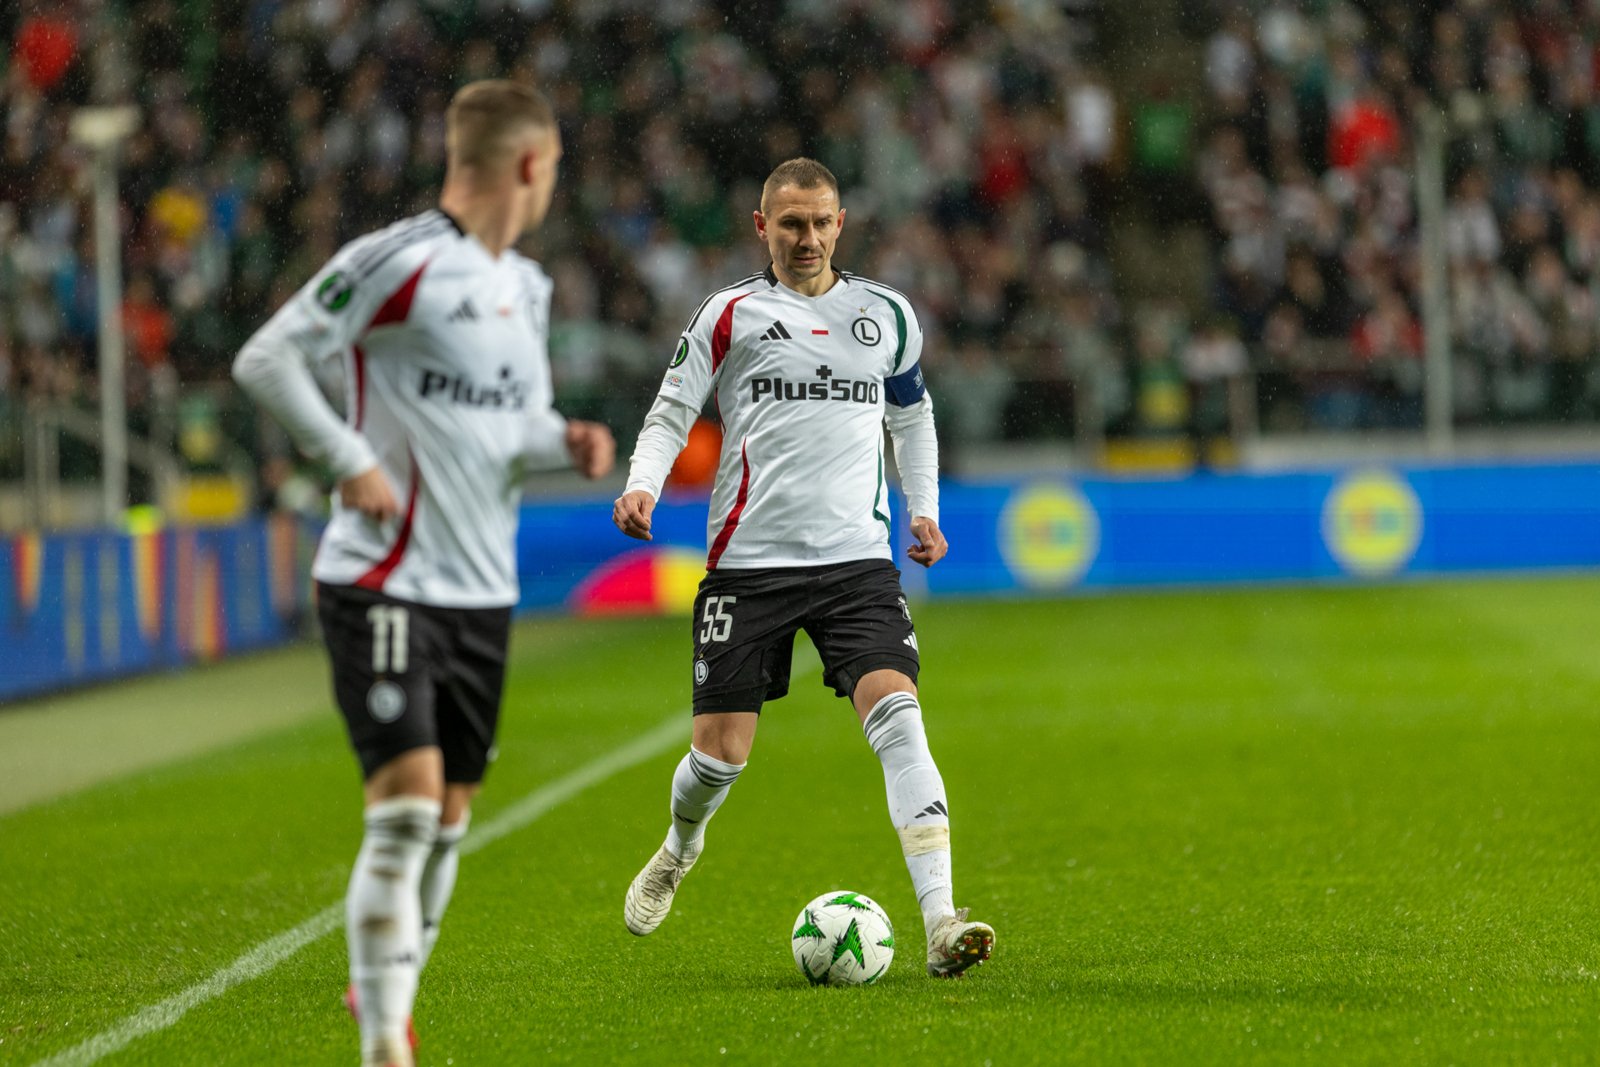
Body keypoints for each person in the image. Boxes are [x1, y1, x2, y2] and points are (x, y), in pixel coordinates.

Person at [233, 81, 614, 1067]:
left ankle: (392, 995)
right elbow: (267, 358)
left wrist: (563, 441)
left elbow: (512, 427)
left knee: (448, 823)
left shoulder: (524, 287)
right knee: (405, 808)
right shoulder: (395, 261)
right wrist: (346, 460)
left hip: (482, 594)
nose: (551, 186)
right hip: (383, 577)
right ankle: (380, 1045)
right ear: (530, 165)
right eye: (554, 170)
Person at [612, 158, 994, 978]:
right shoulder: (730, 314)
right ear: (763, 227)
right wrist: (643, 483)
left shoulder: (885, 314)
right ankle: (681, 847)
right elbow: (673, 407)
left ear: (841, 222)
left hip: (858, 562)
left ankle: (939, 918)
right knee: (719, 757)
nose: (808, 238)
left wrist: (922, 506)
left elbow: (913, 414)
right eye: (791, 223)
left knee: (899, 718)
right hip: (749, 565)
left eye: (821, 223)